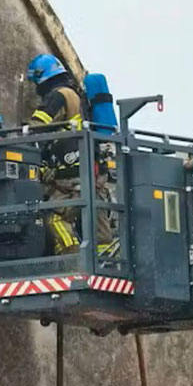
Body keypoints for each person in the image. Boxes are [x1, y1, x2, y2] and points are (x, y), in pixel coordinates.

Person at [25, 54, 115, 256]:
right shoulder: (79, 97)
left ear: (42, 77)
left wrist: (18, 135)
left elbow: (38, 128)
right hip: (94, 172)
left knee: (55, 218)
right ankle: (106, 262)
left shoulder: (59, 95)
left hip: (71, 174)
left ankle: (71, 259)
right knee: (99, 228)